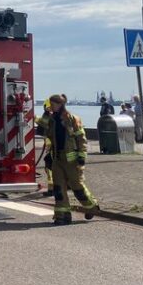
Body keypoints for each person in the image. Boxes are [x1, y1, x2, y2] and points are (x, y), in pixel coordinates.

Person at [45, 94, 99, 226]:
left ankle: (92, 207)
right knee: (59, 189)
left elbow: (81, 139)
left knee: (77, 187)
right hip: (57, 159)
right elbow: (45, 132)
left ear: (60, 104)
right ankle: (62, 216)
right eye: (50, 104)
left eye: (53, 104)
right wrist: (45, 116)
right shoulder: (52, 120)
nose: (51, 106)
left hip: (71, 160)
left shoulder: (73, 119)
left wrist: (81, 157)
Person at [34, 98, 54, 197]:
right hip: (55, 146)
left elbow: (43, 124)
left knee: (49, 166)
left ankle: (52, 189)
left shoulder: (50, 116)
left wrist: (33, 117)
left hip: (53, 146)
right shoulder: (60, 115)